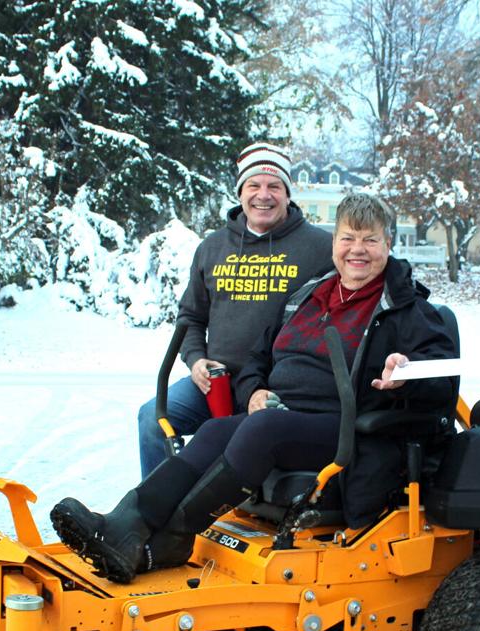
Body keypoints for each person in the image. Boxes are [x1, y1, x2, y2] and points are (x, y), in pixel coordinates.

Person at [52, 192, 457, 583]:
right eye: (348, 237)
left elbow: (440, 378)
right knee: (216, 430)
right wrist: (255, 392)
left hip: (349, 427)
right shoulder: (309, 295)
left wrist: (406, 373)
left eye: (370, 239)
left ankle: (171, 538)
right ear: (334, 243)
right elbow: (257, 357)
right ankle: (125, 524)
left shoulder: (407, 309)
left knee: (263, 430)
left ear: (388, 243)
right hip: (284, 415)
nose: (358, 249)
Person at [136, 141, 333, 477]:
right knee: (153, 419)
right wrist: (196, 360)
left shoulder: (320, 247)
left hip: (280, 385)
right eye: (254, 185)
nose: (264, 195)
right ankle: (156, 509)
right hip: (217, 384)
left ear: (288, 194)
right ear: (241, 192)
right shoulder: (212, 247)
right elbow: (190, 318)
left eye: (274, 186)